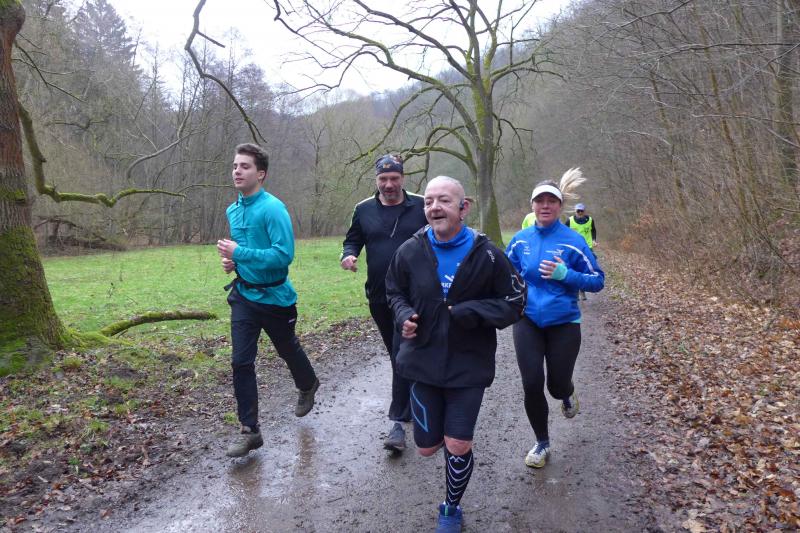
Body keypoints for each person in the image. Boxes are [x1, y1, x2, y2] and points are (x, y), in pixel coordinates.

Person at [386, 176, 526, 532]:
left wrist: (471, 311)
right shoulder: (410, 250)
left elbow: (515, 301)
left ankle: (450, 507)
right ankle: (443, 446)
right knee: (427, 448)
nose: (435, 207)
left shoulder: (488, 254)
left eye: (444, 201)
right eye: (429, 201)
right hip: (422, 360)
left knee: (458, 443)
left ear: (463, 208)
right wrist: (404, 316)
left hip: (469, 363)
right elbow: (394, 291)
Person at [217, 143, 320, 458]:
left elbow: (283, 255)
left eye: (245, 166)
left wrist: (239, 253)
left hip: (276, 298)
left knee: (287, 349)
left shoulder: (273, 208)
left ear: (260, 174)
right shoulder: (232, 210)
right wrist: (233, 262)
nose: (237, 171)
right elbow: (247, 252)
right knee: (240, 362)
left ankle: (308, 384)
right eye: (235, 166)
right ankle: (250, 430)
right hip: (244, 296)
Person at [506, 179, 604, 470]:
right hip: (527, 321)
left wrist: (566, 275)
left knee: (556, 385)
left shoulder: (574, 241)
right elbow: (505, 274)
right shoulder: (521, 240)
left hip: (564, 322)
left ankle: (567, 393)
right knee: (531, 383)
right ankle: (542, 443)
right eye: (540, 201)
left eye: (551, 201)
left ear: (560, 206)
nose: (545, 206)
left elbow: (597, 280)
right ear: (532, 205)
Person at [340, 153, 427, 453]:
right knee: (397, 353)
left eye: (394, 178)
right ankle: (414, 402)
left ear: (403, 178)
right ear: (376, 180)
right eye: (383, 179)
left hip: (413, 296)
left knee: (403, 351)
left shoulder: (421, 205)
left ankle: (397, 424)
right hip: (378, 296)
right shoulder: (363, 209)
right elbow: (353, 239)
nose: (389, 184)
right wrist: (348, 255)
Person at [565, 202, 598, 301]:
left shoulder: (590, 220)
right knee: (574, 269)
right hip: (574, 247)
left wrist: (594, 240)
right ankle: (575, 292)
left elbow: (593, 230)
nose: (580, 213)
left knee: (585, 269)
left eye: (581, 211)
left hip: (587, 247)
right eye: (578, 211)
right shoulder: (569, 220)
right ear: (575, 211)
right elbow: (563, 232)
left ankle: (582, 290)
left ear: (584, 211)